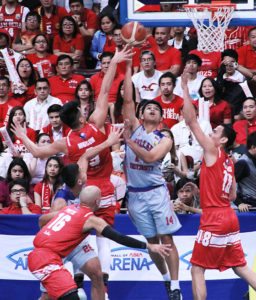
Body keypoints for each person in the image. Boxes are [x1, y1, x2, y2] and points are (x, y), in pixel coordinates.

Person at [12, 46, 133, 299]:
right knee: (103, 237)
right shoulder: (98, 122)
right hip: (104, 190)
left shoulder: (65, 143)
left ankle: (73, 279)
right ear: (80, 114)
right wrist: (115, 64)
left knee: (72, 234)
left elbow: (35, 151)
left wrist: (21, 132)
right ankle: (102, 288)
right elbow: (103, 92)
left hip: (81, 191)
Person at [181, 70, 256, 300]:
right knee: (239, 265)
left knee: (197, 268)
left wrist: (184, 87)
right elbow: (233, 194)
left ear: (223, 140)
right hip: (229, 217)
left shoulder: (213, 151)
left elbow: (191, 121)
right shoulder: (230, 162)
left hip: (214, 218)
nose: (211, 132)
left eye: (215, 131)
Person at [29, 185, 171, 300]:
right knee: (53, 296)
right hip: (46, 258)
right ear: (98, 202)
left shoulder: (68, 208)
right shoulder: (92, 219)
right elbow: (118, 237)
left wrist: (51, 234)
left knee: (97, 273)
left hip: (69, 247)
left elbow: (41, 220)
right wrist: (148, 245)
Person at [123, 59, 182, 300]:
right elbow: (128, 99)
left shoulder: (164, 137)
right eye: (148, 108)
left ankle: (177, 285)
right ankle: (166, 280)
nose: (152, 109)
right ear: (141, 114)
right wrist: (127, 69)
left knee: (166, 239)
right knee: (151, 242)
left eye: (156, 109)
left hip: (156, 192)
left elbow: (150, 157)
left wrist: (127, 142)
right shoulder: (135, 128)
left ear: (160, 118)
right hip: (135, 195)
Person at [234, 132, 256, 212]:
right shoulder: (243, 163)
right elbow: (227, 186)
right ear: (253, 147)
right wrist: (239, 203)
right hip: (248, 206)